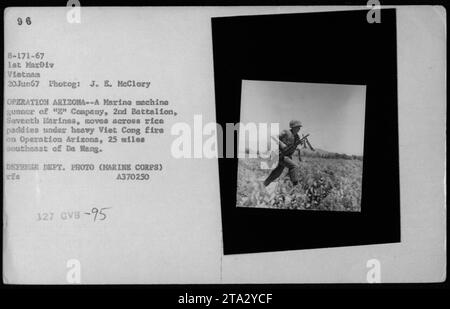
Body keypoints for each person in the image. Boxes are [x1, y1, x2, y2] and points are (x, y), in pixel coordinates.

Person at [263, 120, 303, 187]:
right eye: (298, 127)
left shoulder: (297, 137)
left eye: (299, 127)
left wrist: (298, 147)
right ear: (293, 127)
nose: (299, 129)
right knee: (294, 166)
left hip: (286, 156)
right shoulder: (286, 132)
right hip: (279, 154)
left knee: (277, 173)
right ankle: (295, 186)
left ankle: (263, 185)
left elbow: (295, 146)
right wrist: (281, 144)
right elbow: (274, 137)